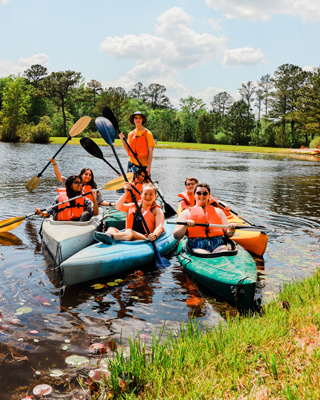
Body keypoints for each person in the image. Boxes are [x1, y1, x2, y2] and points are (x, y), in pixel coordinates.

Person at [173, 183, 237, 254]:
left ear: (209, 196)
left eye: (205, 193)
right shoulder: (186, 213)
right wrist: (185, 226)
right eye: (199, 193)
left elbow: (228, 234)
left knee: (224, 251)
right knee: (204, 254)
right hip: (197, 246)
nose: (202, 196)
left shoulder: (219, 212)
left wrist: (231, 230)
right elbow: (176, 236)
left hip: (218, 245)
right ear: (194, 195)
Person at [50, 159, 114, 207]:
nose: (88, 176)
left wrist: (111, 204)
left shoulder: (93, 188)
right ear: (81, 175)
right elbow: (59, 177)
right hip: (73, 208)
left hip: (88, 209)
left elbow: (101, 202)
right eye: (86, 174)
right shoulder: (72, 183)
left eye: (90, 175)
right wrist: (54, 164)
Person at [119, 111, 156, 176]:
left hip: (143, 165)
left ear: (142, 120)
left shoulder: (148, 134)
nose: (138, 120)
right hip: (131, 163)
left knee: (143, 185)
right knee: (131, 185)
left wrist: (149, 167)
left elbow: (151, 151)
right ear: (133, 120)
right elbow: (128, 151)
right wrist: (122, 140)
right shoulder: (131, 134)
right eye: (136, 118)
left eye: (140, 118)